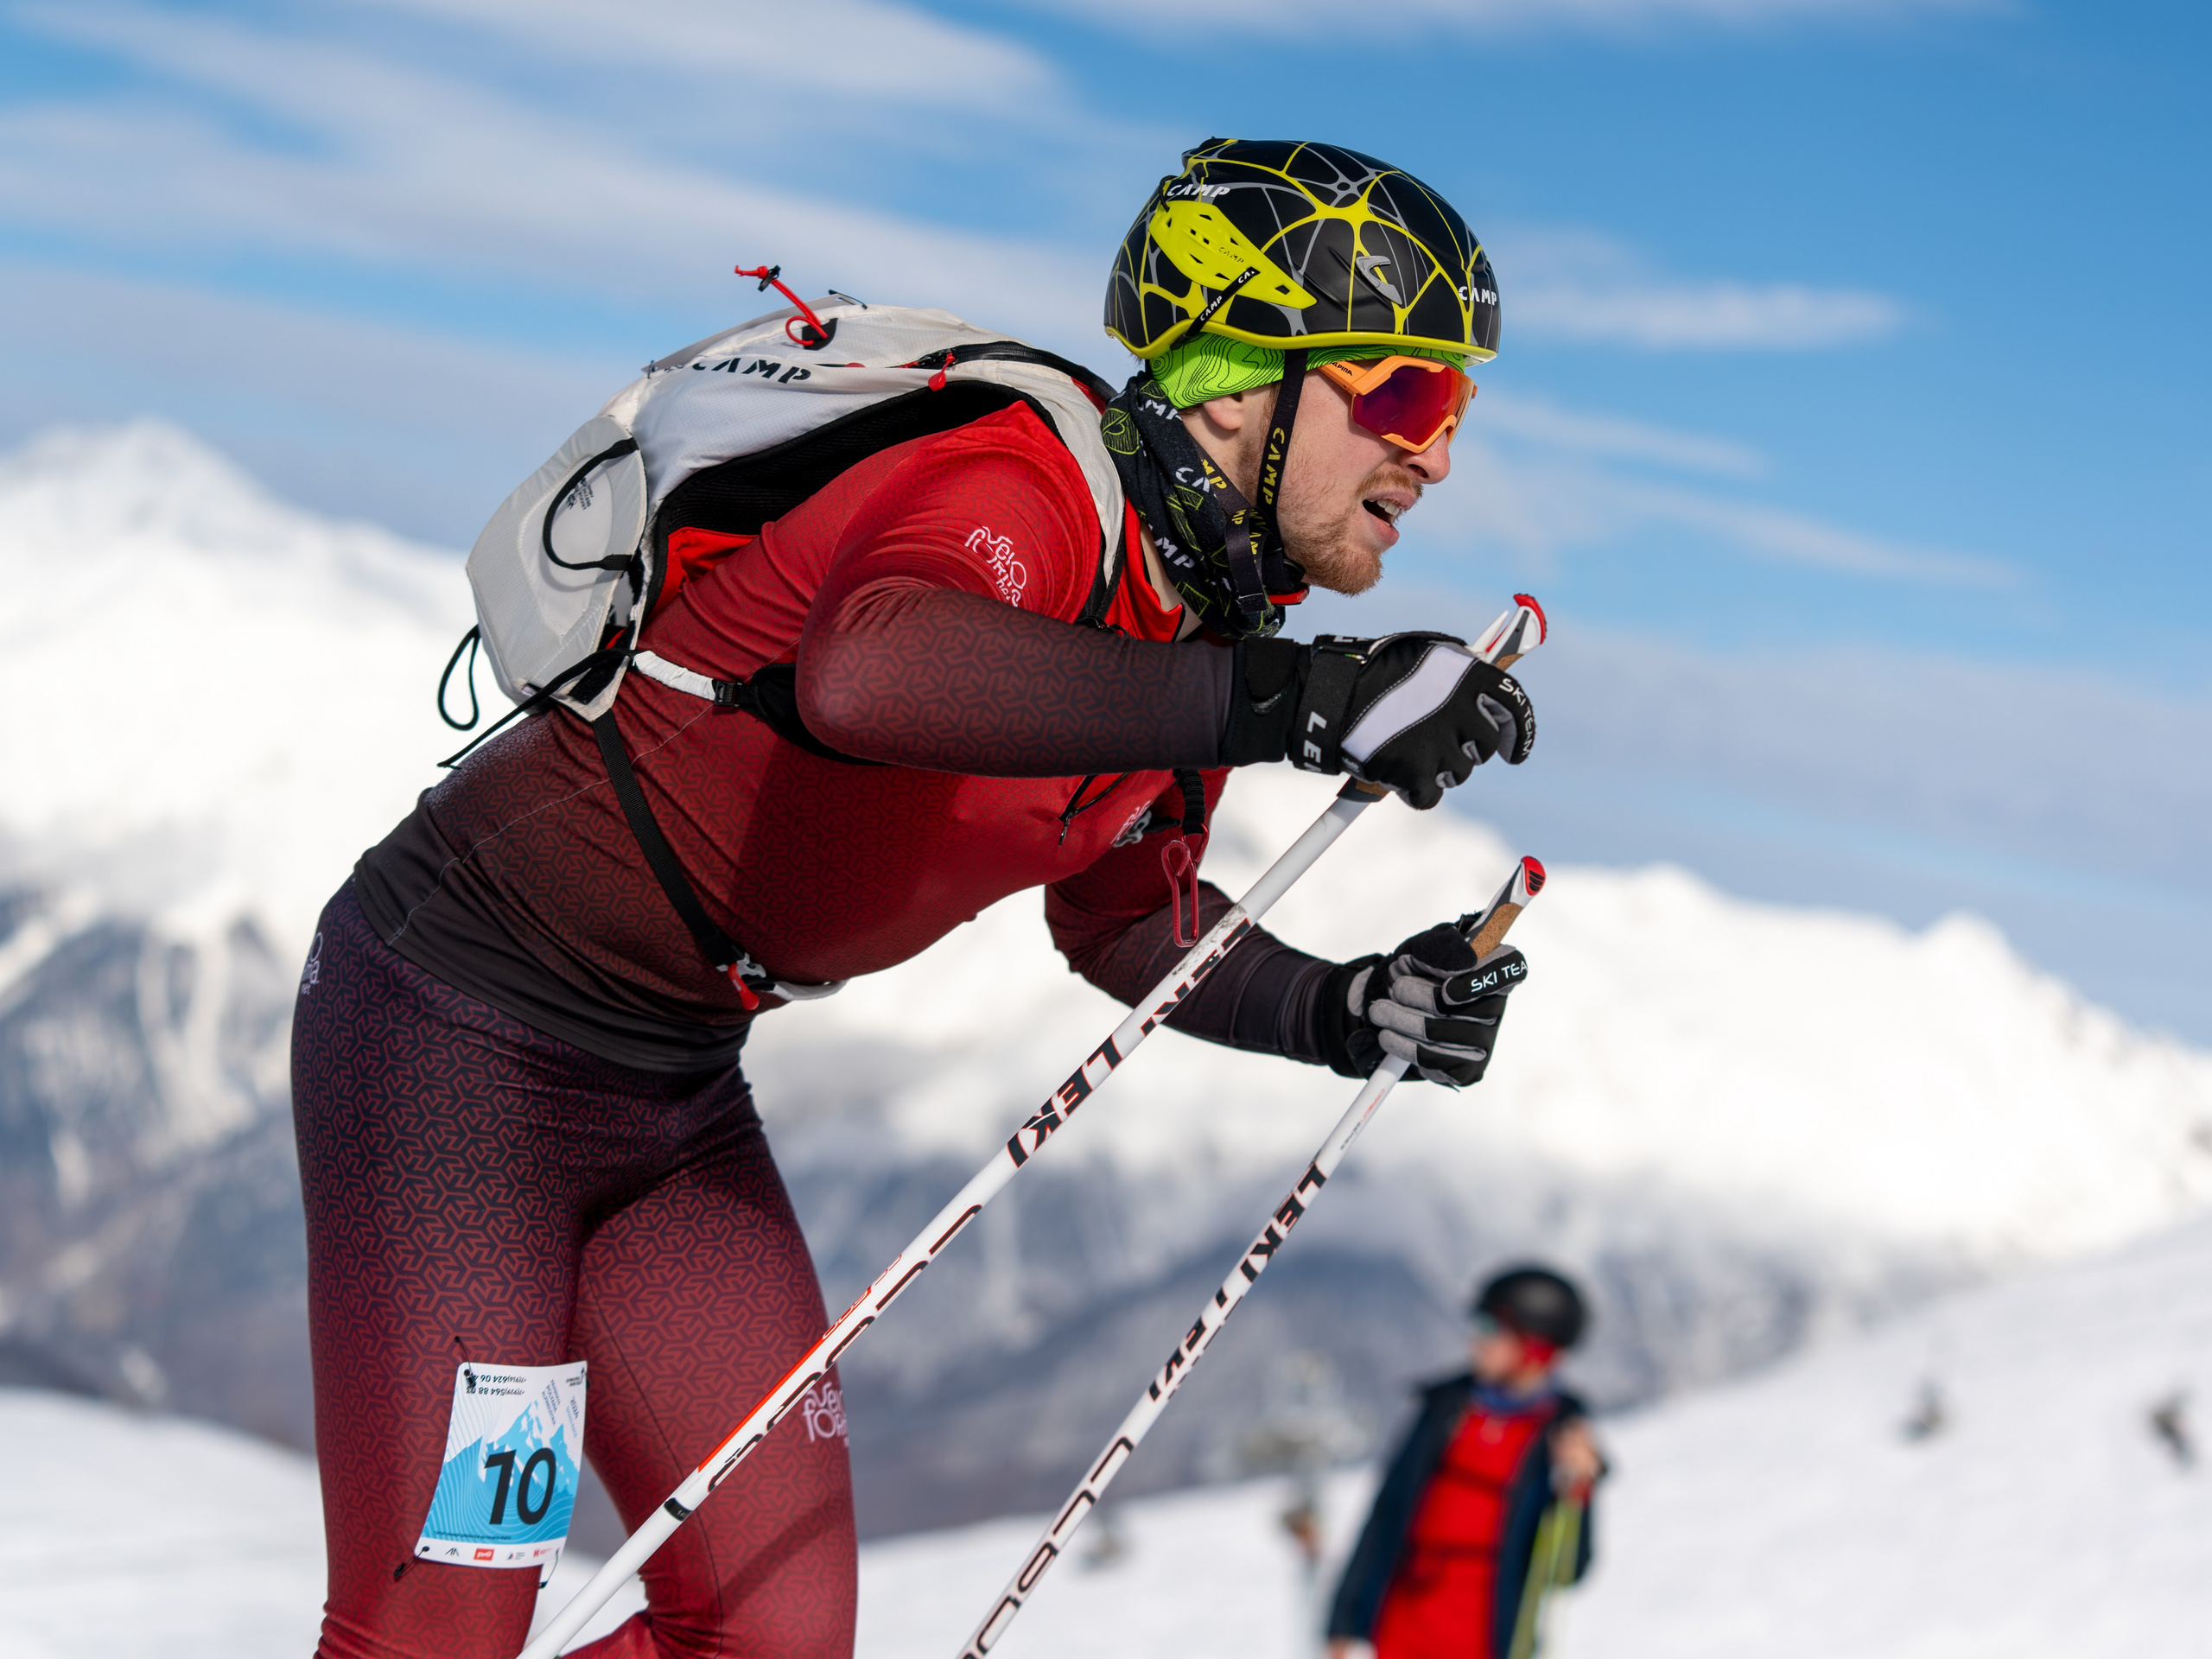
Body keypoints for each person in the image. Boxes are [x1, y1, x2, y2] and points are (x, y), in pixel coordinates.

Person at [291, 137, 1538, 1659]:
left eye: (1456, 407)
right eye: (1406, 394)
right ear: (1235, 384)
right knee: (437, 1633)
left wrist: (1345, 1008)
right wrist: (1289, 697)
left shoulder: (1184, 617)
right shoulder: (1024, 480)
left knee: (774, 1641)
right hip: (458, 1043)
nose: (1440, 454)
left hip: (673, 1097)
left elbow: (1127, 929)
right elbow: (877, 664)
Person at [1327, 1268, 1604, 1659]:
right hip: (1399, 1632)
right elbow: (1386, 1517)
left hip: (1482, 1641)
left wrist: (1578, 1490)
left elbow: (1565, 1571)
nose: (1476, 1339)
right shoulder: (1444, 1409)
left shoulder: (1561, 1439)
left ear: (1535, 1346)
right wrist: (1344, 1622)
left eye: (1491, 1327)